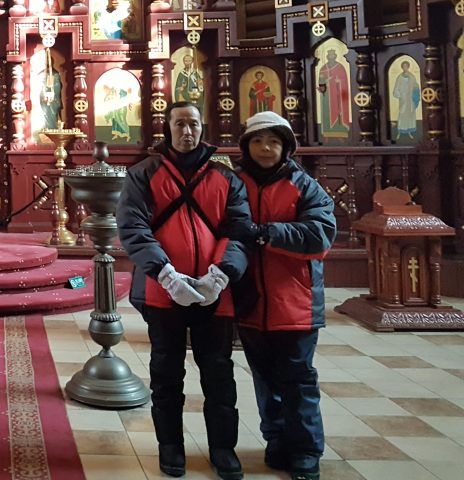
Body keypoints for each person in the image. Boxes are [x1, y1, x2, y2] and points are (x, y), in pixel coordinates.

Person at [116, 101, 255, 480]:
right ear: (168, 128)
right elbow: (133, 228)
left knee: (219, 373)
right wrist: (166, 275)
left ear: (202, 127)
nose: (187, 131)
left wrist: (221, 275)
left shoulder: (226, 178)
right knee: (165, 372)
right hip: (164, 292)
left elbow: (239, 231)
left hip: (216, 293)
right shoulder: (144, 174)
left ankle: (223, 448)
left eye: (193, 123)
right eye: (179, 124)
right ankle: (170, 446)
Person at [235, 112, 336, 480]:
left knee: (297, 379)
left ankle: (306, 452)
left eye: (274, 142)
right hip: (251, 301)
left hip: (295, 303)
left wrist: (267, 233)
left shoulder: (304, 185)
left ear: (286, 147)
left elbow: (320, 235)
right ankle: (276, 439)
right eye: (259, 141)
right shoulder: (235, 183)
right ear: (246, 145)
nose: (266, 148)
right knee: (264, 378)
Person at [317, 49, 350, 134]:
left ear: (335, 56)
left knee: (339, 110)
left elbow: (344, 80)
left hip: (338, 94)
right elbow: (321, 82)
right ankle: (327, 131)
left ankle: (341, 129)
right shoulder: (323, 68)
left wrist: (338, 82)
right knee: (327, 113)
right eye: (329, 56)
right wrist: (324, 82)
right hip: (326, 96)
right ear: (327, 57)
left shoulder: (340, 67)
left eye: (333, 55)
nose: (331, 57)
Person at [391, 60, 421, 140]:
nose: (405, 68)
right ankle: (400, 132)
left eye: (406, 66)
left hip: (410, 99)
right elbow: (396, 89)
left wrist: (415, 90)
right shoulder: (399, 77)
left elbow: (416, 86)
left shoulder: (412, 76)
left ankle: (409, 132)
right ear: (402, 67)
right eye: (404, 66)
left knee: (410, 114)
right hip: (403, 99)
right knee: (402, 114)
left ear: (408, 67)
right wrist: (400, 95)